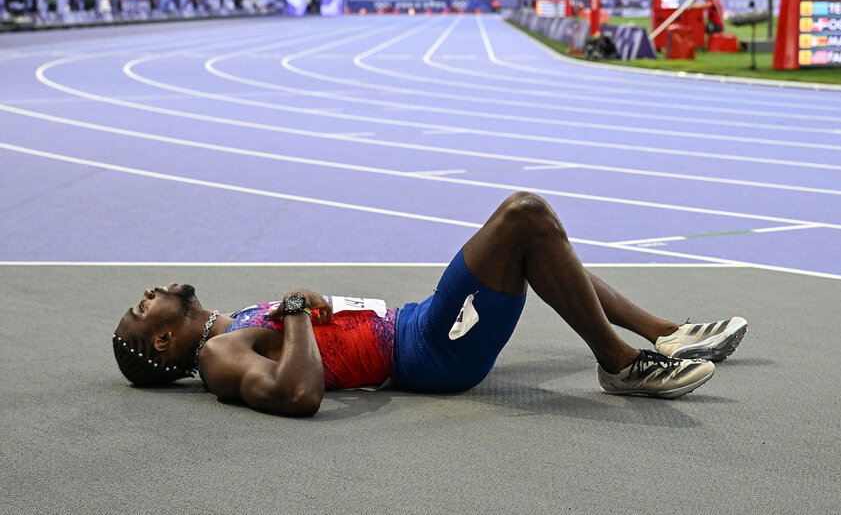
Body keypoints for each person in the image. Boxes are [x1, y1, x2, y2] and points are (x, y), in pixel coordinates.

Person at [113, 192, 747, 417]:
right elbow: (298, 396)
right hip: (427, 352)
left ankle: (665, 333)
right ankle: (619, 362)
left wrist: (308, 312)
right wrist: (300, 312)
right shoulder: (221, 353)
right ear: (165, 343)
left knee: (531, 241)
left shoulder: (232, 326)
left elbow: (317, 343)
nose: (147, 296)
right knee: (524, 217)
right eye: (142, 312)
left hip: (412, 323)